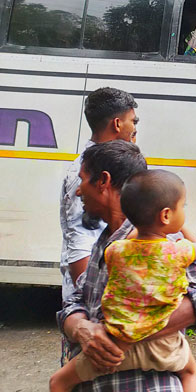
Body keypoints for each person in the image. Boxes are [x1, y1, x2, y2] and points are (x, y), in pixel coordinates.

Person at [57, 140, 196, 391]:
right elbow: (76, 300)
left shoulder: (163, 244)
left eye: (82, 180)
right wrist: (82, 328)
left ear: (103, 181)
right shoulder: (106, 244)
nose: (79, 191)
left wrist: (124, 333)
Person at [60, 87, 138, 302]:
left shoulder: (119, 163)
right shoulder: (84, 171)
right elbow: (80, 240)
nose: (135, 129)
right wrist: (87, 304)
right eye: (133, 122)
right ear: (117, 124)